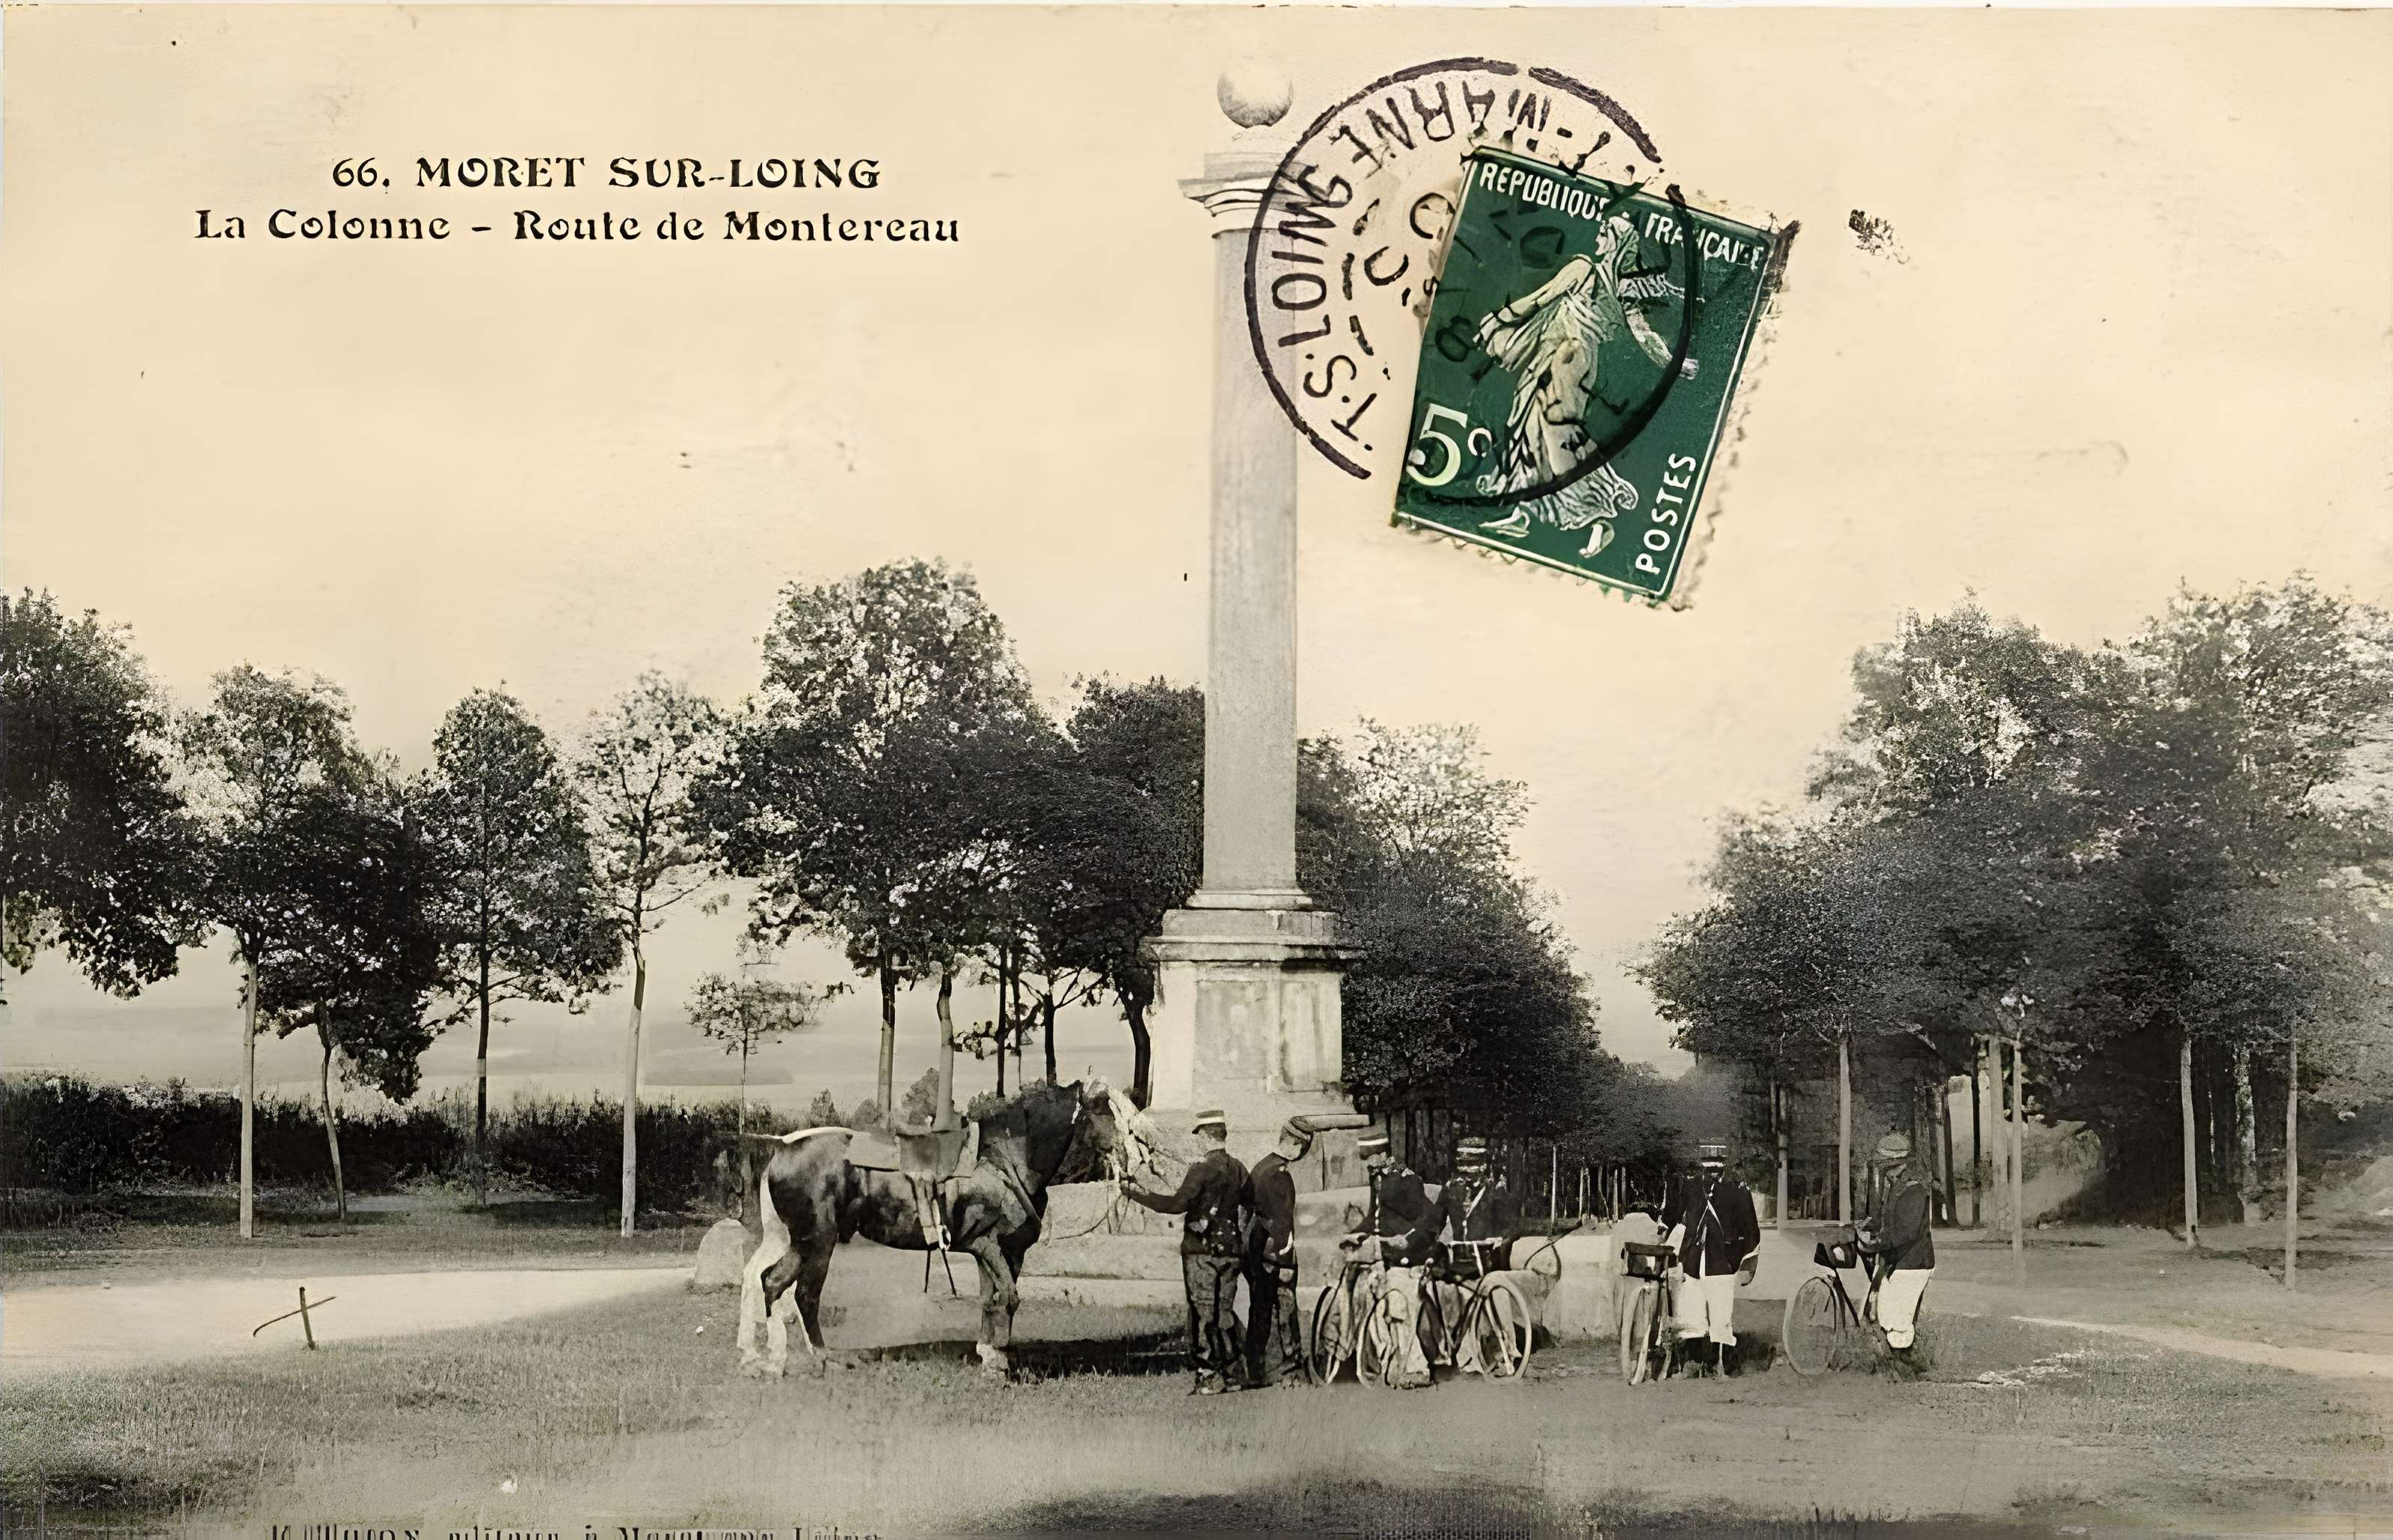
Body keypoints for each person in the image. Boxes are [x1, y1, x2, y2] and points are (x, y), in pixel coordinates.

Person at [1123, 1109, 1251, 1395]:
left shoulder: (1201, 1169)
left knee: (1202, 1313)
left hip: (1200, 1252)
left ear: (1206, 1137)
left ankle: (1208, 1375)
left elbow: (1176, 1205)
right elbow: (1249, 1203)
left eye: (1199, 1137)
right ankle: (1233, 1374)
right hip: (1231, 1251)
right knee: (1224, 1312)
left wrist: (1135, 1194)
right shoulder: (1238, 1168)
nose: (1197, 1143)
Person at [1665, 1139, 1760, 1377]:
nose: (1712, 1172)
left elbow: (1751, 1229)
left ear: (1725, 1165)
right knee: (1690, 1312)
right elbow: (1675, 1216)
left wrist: (1747, 1265)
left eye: (1717, 1167)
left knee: (1721, 1314)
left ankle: (1725, 1365)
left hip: (1723, 1261)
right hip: (1693, 1260)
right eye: (1708, 1167)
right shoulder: (1692, 1186)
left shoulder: (1737, 1188)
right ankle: (1694, 1363)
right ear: (1702, 1165)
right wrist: (1666, 1239)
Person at [1354, 1130, 1438, 1390]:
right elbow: (1375, 1216)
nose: (1367, 1164)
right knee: (1375, 1308)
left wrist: (1409, 1240)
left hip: (1408, 1260)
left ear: (1381, 1155)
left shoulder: (1406, 1181)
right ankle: (1391, 1364)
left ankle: (1417, 1369)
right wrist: (1357, 1232)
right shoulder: (1377, 1179)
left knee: (1402, 1311)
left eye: (1369, 1158)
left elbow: (1429, 1217)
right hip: (1386, 1258)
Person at [1858, 1132, 1937, 1379]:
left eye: (1882, 1163)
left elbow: (1905, 1233)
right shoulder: (1896, 1187)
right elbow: (1888, 1223)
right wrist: (1868, 1228)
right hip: (1897, 1261)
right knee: (1878, 1310)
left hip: (1913, 1264)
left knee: (1897, 1320)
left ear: (1896, 1164)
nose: (1880, 1169)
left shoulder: (1913, 1190)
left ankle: (1912, 1371)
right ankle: (1898, 1366)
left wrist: (1874, 1243)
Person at [1242, 1117, 1312, 1389]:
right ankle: (1291, 1371)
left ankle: (1257, 1370)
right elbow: (1281, 1224)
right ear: (1297, 1144)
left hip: (1255, 1252)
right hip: (1273, 1255)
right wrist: (1284, 1260)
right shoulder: (1279, 1174)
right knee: (1285, 1310)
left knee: (1260, 1311)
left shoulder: (1261, 1166)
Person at [1436, 1137, 1521, 1275]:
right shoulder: (1450, 1191)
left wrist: (1499, 1242)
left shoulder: (1496, 1194)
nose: (1467, 1170)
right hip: (1457, 1264)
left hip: (1489, 1265)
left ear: (1483, 1166)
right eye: (1463, 1164)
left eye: (1472, 1164)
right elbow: (1433, 1224)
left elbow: (1513, 1228)